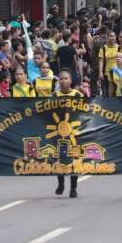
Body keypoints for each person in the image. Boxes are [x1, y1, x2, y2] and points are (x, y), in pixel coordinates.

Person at [53, 69, 81, 198]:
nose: (63, 81)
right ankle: (61, 183)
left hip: (75, 132)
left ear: (70, 81)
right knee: (60, 159)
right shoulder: (54, 95)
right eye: (61, 78)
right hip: (58, 131)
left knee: (74, 160)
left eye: (66, 78)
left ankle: (73, 188)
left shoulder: (77, 94)